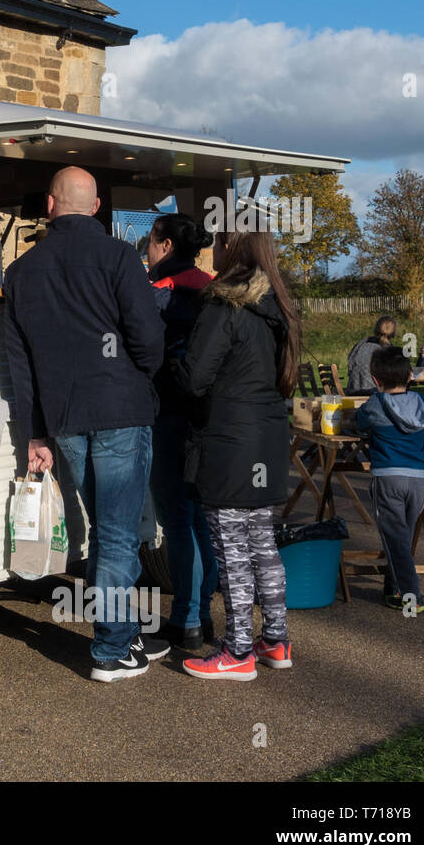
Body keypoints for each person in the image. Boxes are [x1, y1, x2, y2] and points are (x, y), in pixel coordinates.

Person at [2, 166, 170, 682]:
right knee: (118, 536)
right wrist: (140, 372)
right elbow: (148, 337)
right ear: (96, 207)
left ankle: (123, 633)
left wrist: (34, 431)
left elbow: (19, 362)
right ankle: (112, 650)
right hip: (120, 407)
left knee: (105, 532)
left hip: (66, 416)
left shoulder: (22, 271)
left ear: (50, 206)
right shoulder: (120, 256)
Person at [174, 222, 298, 681]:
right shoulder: (278, 308)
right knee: (263, 544)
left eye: (220, 243)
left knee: (232, 549)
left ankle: (238, 649)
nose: (214, 250)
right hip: (266, 437)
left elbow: (194, 378)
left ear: (232, 249)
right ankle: (276, 640)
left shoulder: (224, 304)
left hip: (228, 440)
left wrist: (172, 359)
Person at [145, 214, 217, 649]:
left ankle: (186, 618)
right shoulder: (214, 289)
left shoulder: (158, 293)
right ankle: (202, 613)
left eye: (150, 243)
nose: (147, 251)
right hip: (207, 416)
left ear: (166, 245)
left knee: (176, 523)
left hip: (167, 415)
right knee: (200, 522)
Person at [354, 347, 424, 613]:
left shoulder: (376, 404)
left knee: (396, 539)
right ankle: (393, 590)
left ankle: (412, 598)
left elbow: (359, 422)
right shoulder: (420, 403)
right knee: (401, 537)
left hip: (388, 477)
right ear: (410, 376)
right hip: (419, 479)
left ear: (375, 380)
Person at [345, 316, 396, 394]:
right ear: (393, 332)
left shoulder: (361, 344)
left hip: (352, 390)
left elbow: (350, 366)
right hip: (372, 393)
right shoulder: (388, 350)